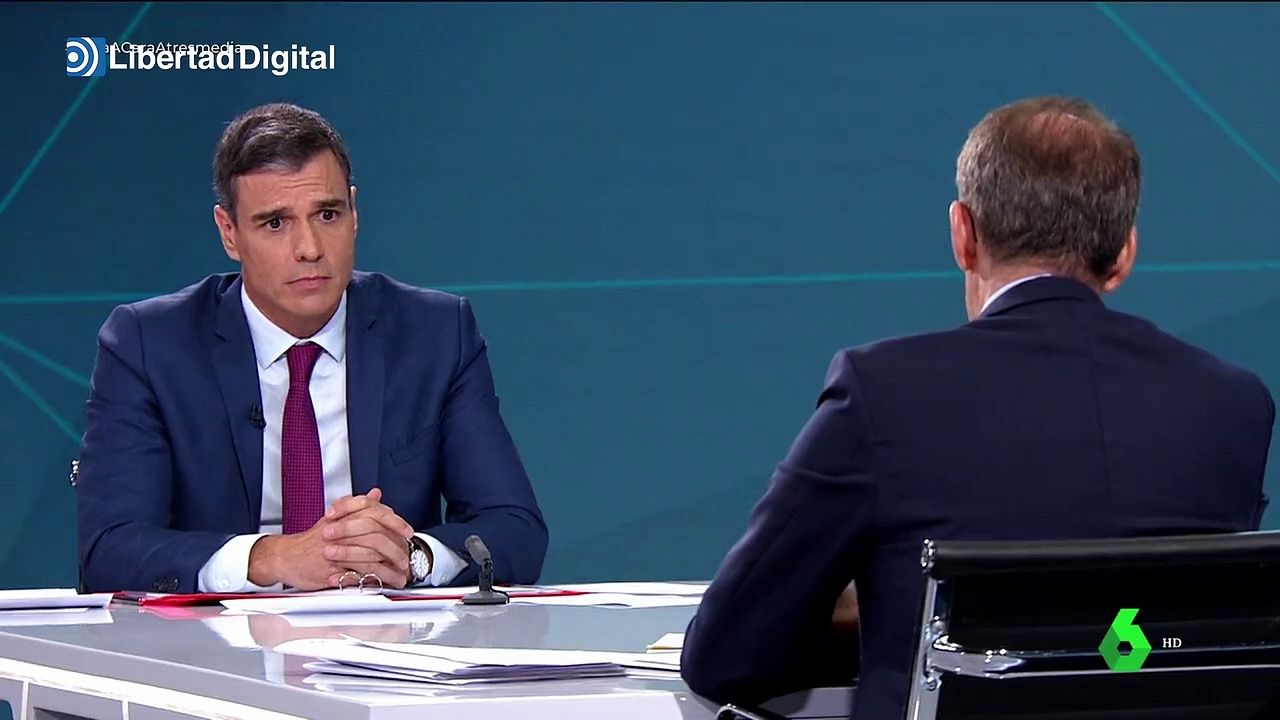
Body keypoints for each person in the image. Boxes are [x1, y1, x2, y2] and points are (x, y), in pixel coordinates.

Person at [680, 96, 1276, 719]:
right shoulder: (1232, 405)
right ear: (1124, 253)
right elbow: (1169, 628)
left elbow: (726, 654)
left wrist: (885, 612)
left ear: (963, 235)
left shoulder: (884, 390)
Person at [75, 103, 548, 594]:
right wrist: (270, 557)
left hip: (386, 632)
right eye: (275, 223)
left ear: (354, 212)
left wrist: (411, 557)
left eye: (327, 214)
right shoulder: (149, 346)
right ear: (229, 232)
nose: (310, 248)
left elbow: (515, 529)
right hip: (214, 637)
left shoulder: (435, 334)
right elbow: (109, 549)